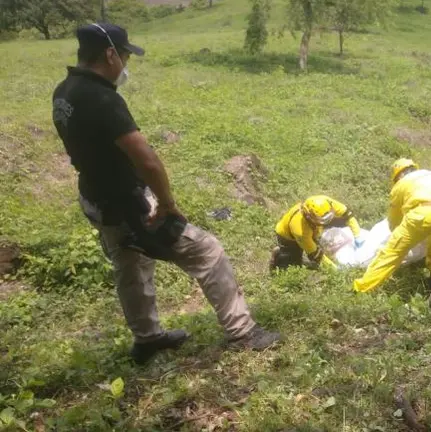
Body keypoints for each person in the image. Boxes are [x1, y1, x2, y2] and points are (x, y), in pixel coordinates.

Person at [51, 23, 280, 365]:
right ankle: (243, 332)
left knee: (130, 263)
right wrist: (168, 205)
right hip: (128, 204)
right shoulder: (103, 99)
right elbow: (148, 161)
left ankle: (147, 339)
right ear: (110, 54)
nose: (126, 64)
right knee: (207, 251)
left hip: (95, 198)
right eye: (126, 55)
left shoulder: (64, 91)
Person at [353, 159, 431, 293]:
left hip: (423, 215)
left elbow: (394, 219)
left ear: (397, 176)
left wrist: (399, 235)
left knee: (391, 253)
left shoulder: (401, 184)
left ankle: (361, 288)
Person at [272, 195, 363, 271]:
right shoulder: (300, 230)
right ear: (309, 217)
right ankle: (280, 256)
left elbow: (348, 215)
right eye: (322, 221)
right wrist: (334, 269)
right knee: (291, 263)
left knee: (318, 249)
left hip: (313, 230)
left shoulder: (326, 203)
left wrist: (357, 235)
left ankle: (306, 262)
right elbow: (316, 255)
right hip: (288, 237)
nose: (326, 222)